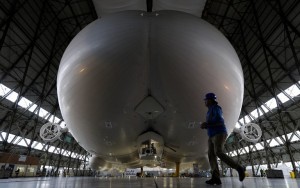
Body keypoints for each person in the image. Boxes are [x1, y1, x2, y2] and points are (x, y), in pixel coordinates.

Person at [200, 92, 245, 185]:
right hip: (211, 135)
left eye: (206, 100)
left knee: (218, 152)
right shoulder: (209, 111)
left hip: (219, 133)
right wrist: (206, 125)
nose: (205, 102)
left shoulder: (216, 108)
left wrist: (207, 124)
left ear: (210, 100)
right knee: (211, 155)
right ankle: (216, 177)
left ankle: (239, 168)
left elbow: (220, 120)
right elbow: (211, 123)